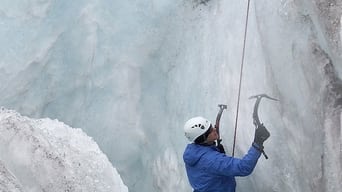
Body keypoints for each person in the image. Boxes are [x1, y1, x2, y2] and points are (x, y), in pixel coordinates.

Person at [183, 116, 270, 192]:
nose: (214, 129)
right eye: (210, 130)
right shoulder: (212, 160)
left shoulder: (192, 152)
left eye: (211, 126)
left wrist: (214, 150)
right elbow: (243, 167)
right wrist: (258, 143)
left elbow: (206, 168)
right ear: (203, 137)